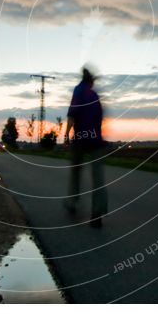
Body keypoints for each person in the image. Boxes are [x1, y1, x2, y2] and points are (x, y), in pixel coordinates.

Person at [64, 67, 107, 227]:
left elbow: (72, 114)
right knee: (98, 178)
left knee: (75, 171)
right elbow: (101, 118)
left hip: (81, 138)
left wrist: (67, 135)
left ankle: (73, 202)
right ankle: (97, 214)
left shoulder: (78, 90)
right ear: (91, 81)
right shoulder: (95, 95)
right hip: (96, 140)